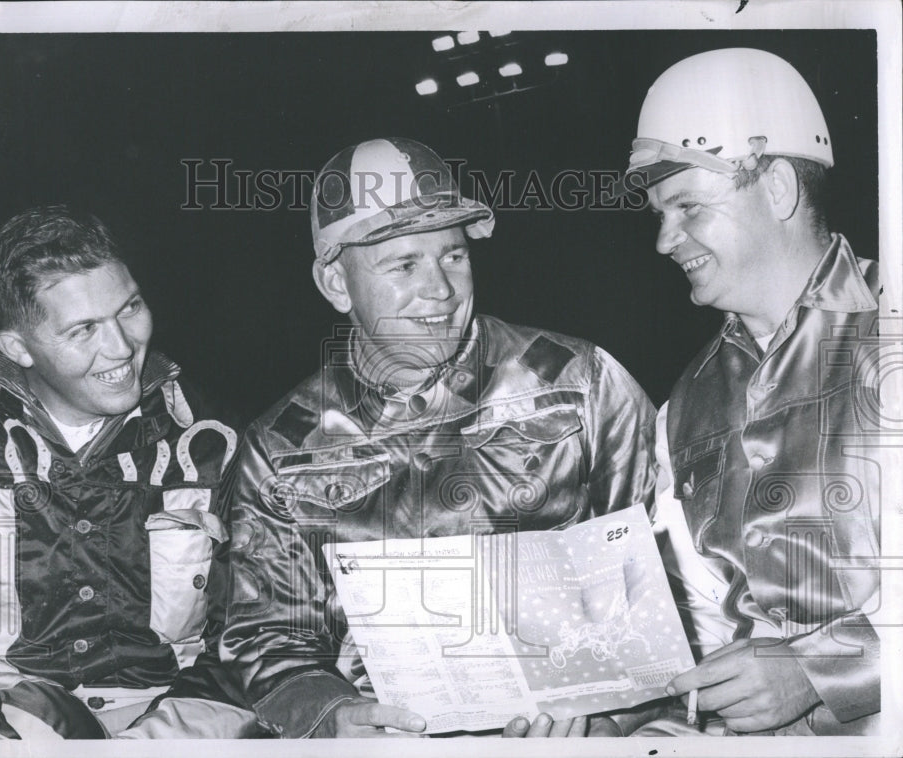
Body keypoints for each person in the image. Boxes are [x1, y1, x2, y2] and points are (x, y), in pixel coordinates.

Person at [218, 137, 658, 737]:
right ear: (336, 284)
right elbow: (267, 631)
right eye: (403, 265)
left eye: (452, 256)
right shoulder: (281, 449)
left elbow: (664, 575)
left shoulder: (581, 383)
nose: (442, 290)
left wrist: (614, 716)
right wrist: (330, 715)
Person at [511, 47, 883, 739]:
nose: (663, 240)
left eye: (687, 206)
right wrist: (616, 716)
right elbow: (701, 619)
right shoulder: (683, 407)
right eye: (658, 212)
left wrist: (825, 669)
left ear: (776, 188)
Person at [0, 206, 257, 739]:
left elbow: (249, 636)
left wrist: (156, 739)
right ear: (18, 348)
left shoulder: (218, 443)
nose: (123, 347)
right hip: (8, 711)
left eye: (129, 308)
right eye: (84, 330)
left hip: (180, 714)